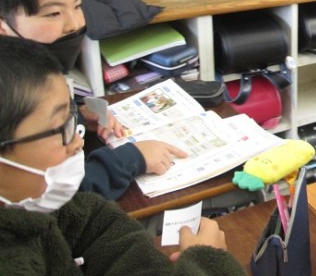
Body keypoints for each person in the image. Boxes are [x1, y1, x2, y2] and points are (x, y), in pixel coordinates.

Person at [0, 35, 246, 275]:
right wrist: (209, 265)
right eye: (60, 128)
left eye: (72, 117)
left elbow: (92, 223)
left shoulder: (33, 207)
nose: (77, 142)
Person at [0, 0, 187, 200]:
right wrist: (132, 159)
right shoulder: (11, 94)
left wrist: (74, 115)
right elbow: (57, 197)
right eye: (53, 13)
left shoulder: (25, 69)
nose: (75, 24)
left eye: (77, 6)